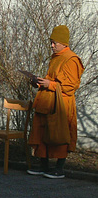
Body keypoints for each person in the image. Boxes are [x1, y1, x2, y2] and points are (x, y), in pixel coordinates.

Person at [27, 25, 84, 179]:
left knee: (59, 134)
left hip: (60, 104)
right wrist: (39, 83)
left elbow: (70, 86)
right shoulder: (57, 57)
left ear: (64, 43)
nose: (52, 46)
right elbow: (51, 78)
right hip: (46, 101)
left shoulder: (71, 59)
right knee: (42, 132)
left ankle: (59, 168)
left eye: (55, 43)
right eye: (51, 42)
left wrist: (50, 84)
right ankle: (43, 166)